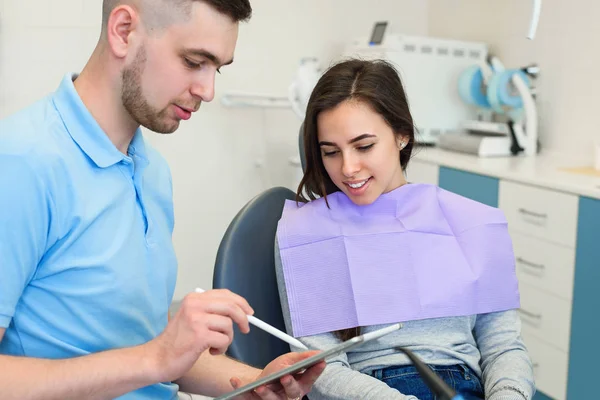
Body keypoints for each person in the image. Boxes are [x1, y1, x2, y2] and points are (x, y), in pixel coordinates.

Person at [0, 0, 325, 399]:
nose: (207, 90)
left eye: (217, 68)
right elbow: (152, 358)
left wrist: (252, 385)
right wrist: (156, 357)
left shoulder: (151, 171)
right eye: (193, 61)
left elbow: (146, 352)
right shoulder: (20, 163)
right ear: (122, 30)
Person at [274, 59, 535, 400]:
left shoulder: (469, 223)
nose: (349, 168)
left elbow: (504, 347)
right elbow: (323, 369)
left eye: (364, 146)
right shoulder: (307, 233)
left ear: (402, 134)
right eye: (331, 152)